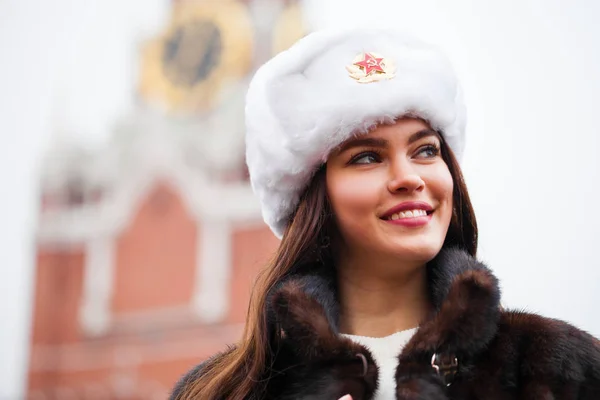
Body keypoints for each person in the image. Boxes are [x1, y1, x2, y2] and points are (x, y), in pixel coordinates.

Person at [170, 28, 600, 400]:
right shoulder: (224, 389)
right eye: (365, 158)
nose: (408, 177)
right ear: (316, 197)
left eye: (426, 150)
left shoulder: (557, 365)